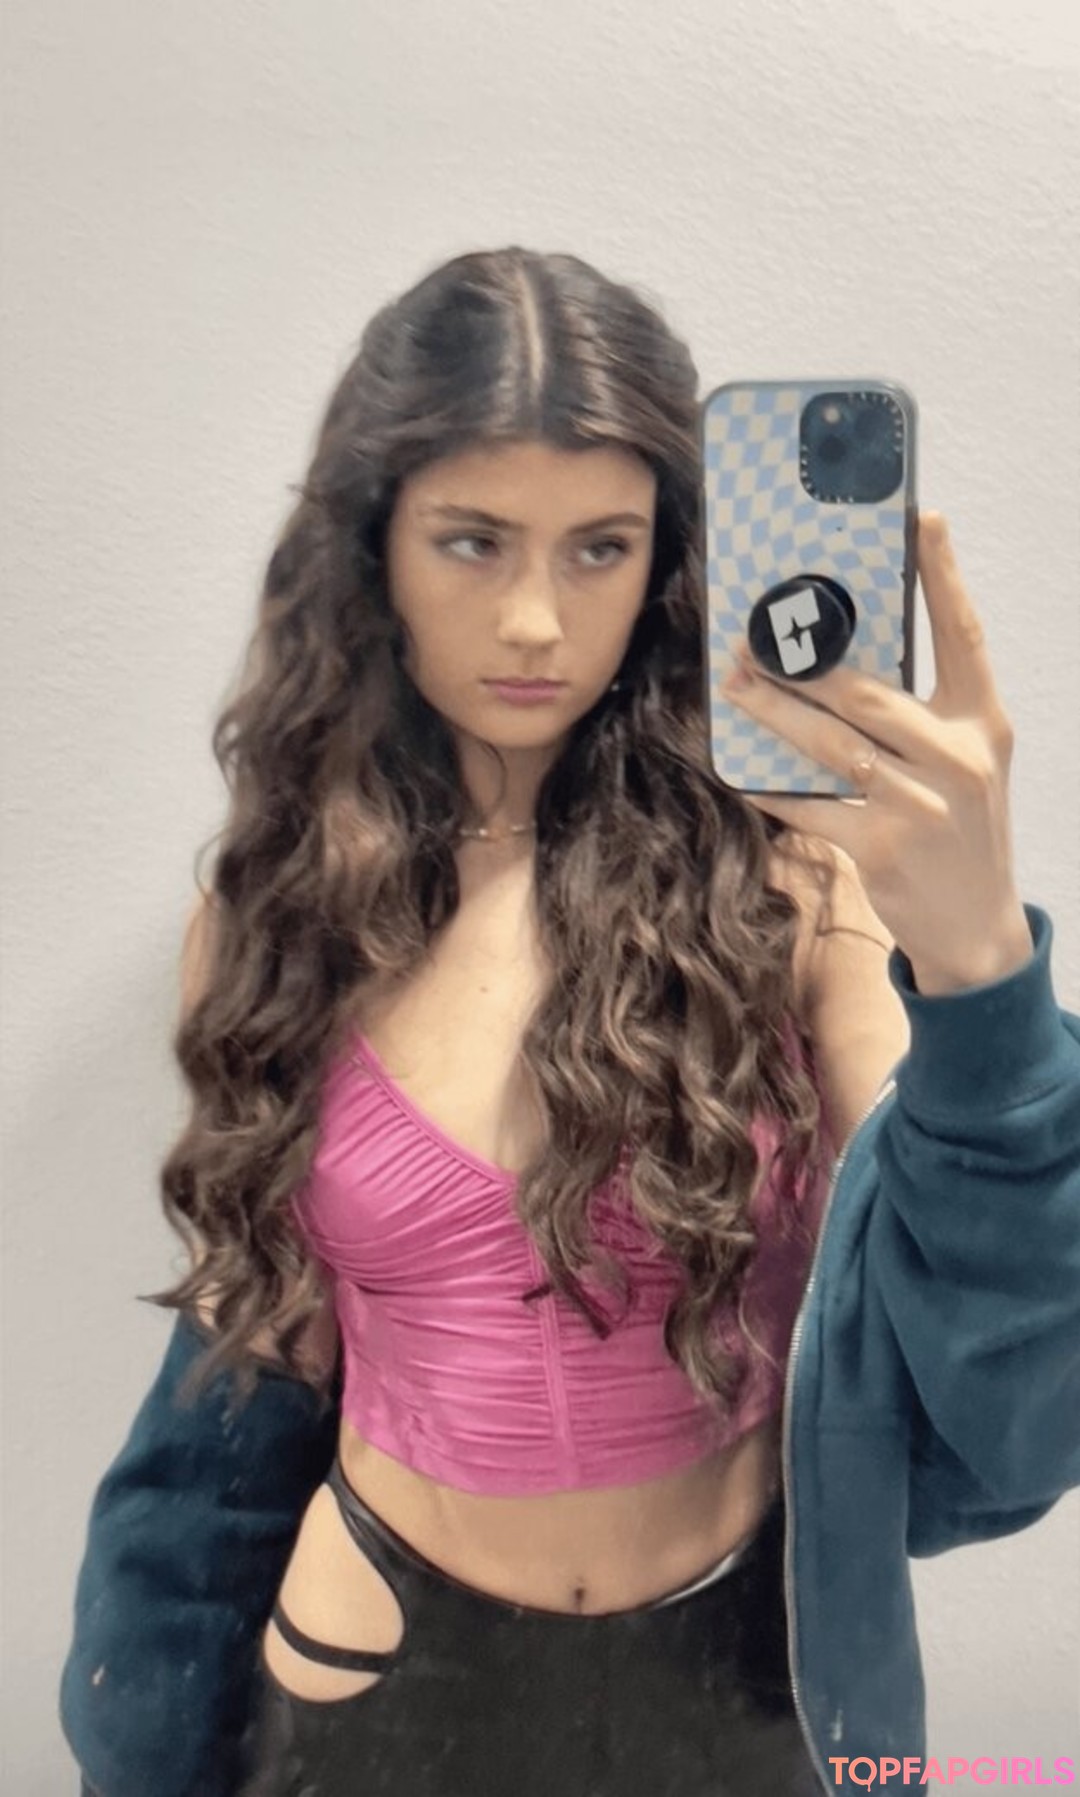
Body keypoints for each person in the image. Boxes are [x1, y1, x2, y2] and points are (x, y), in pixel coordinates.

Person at [60, 247, 1080, 1797]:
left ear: (667, 560)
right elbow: (245, 1381)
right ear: (373, 546)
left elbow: (1012, 1398)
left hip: (754, 1684)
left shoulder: (795, 890)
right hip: (370, 1673)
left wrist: (978, 966)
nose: (536, 618)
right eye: (472, 541)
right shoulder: (278, 920)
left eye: (601, 547)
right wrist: (143, 1738)